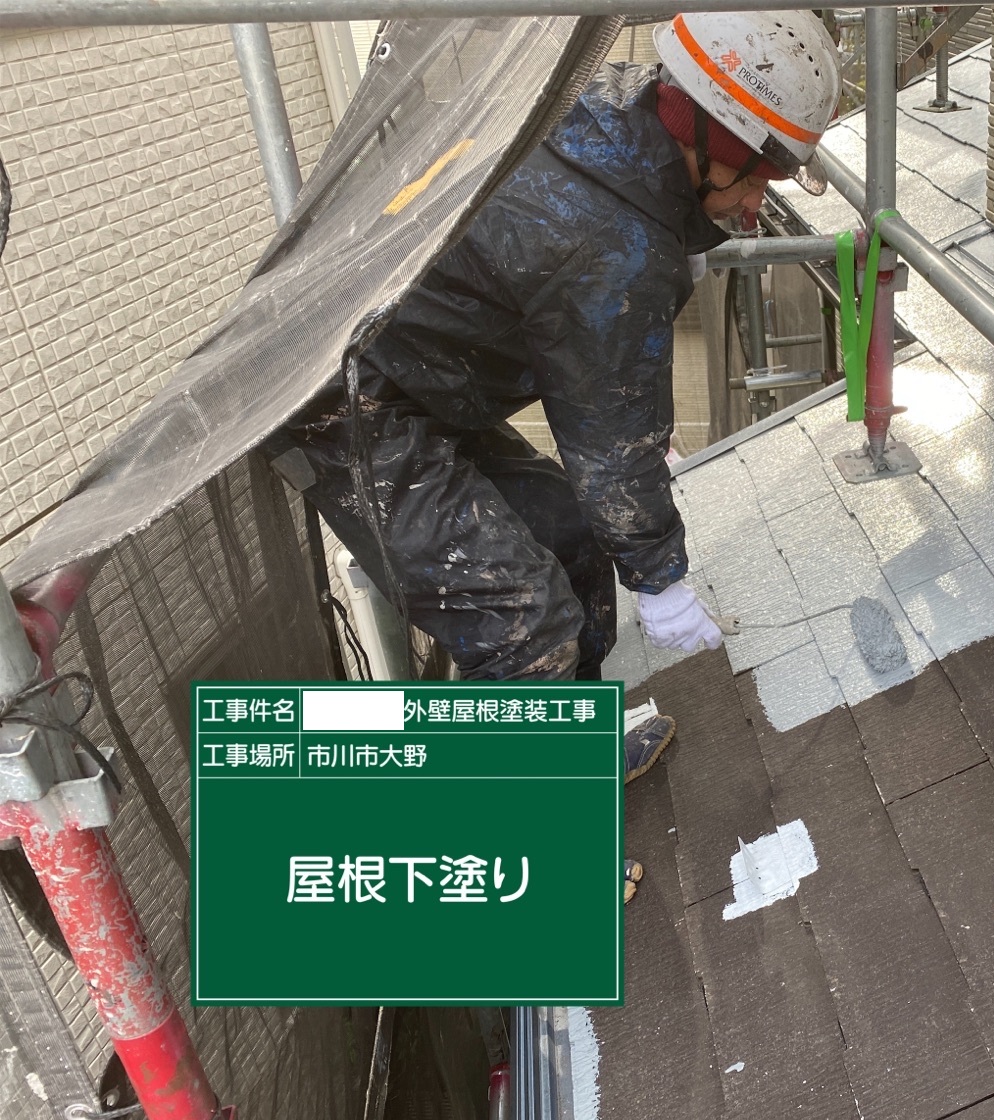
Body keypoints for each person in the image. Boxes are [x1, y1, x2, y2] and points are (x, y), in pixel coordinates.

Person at [266, 13, 842, 903]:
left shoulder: (612, 117)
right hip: (346, 405)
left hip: (419, 380)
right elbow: (610, 450)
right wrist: (662, 579)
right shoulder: (613, 236)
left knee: (571, 533)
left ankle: (570, 757)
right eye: (758, 176)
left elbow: (599, 409)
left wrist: (631, 449)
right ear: (715, 143)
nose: (757, 204)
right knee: (521, 623)